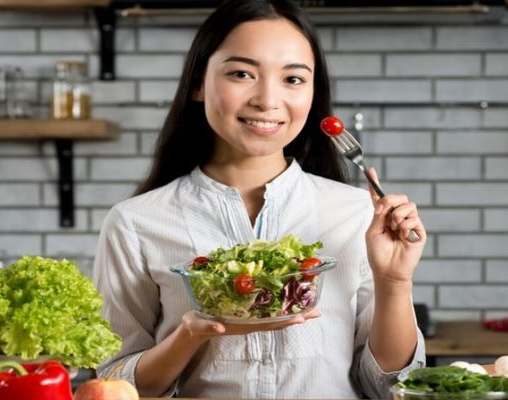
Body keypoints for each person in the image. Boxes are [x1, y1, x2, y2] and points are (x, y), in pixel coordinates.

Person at [93, 0, 427, 398]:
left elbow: (390, 387)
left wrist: (394, 282)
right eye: (241, 73)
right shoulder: (135, 223)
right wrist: (189, 334)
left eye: (293, 79)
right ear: (199, 83)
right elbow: (116, 387)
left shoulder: (355, 213)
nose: (268, 100)